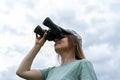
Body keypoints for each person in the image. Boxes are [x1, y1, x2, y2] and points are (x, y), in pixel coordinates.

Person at [16, 27, 97, 80]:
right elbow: (22, 72)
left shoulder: (83, 64)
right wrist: (38, 45)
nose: (56, 40)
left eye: (61, 36)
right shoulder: (50, 72)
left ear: (74, 43)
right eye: (55, 38)